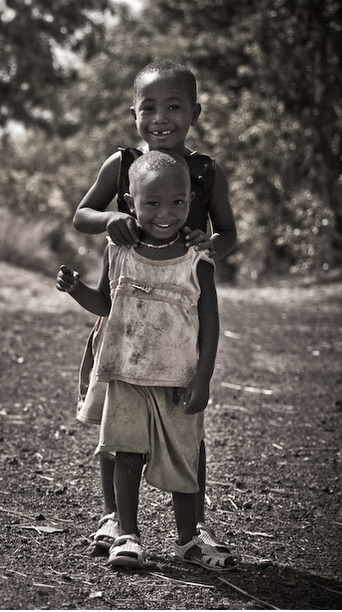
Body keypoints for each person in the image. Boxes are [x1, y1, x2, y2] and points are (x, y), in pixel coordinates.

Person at [72, 60, 238, 564]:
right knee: (116, 422)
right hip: (124, 318)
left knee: (185, 424)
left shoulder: (206, 171)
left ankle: (195, 527)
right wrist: (112, 218)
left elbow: (228, 235)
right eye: (150, 107)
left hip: (178, 318)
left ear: (194, 113)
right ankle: (114, 519)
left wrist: (209, 245)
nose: (161, 117)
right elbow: (82, 215)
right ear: (134, 113)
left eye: (174, 107)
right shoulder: (120, 164)